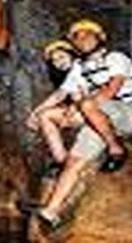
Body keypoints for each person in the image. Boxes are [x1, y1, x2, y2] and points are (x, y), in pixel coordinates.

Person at [34, 19, 132, 229]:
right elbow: (66, 93)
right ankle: (50, 211)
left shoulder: (115, 58)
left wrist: (81, 107)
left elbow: (112, 89)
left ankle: (116, 149)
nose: (82, 39)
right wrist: (40, 113)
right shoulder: (81, 68)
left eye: (87, 34)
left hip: (127, 112)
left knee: (86, 105)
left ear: (99, 38)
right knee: (74, 161)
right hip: (97, 117)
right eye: (77, 37)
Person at [26, 40, 83, 175]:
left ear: (71, 55)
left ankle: (66, 161)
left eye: (62, 57)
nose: (59, 62)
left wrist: (75, 106)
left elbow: (64, 96)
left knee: (48, 115)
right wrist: (36, 113)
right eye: (55, 60)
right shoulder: (71, 73)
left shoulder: (80, 67)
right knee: (45, 116)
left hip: (98, 110)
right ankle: (61, 160)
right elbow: (60, 95)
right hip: (81, 111)